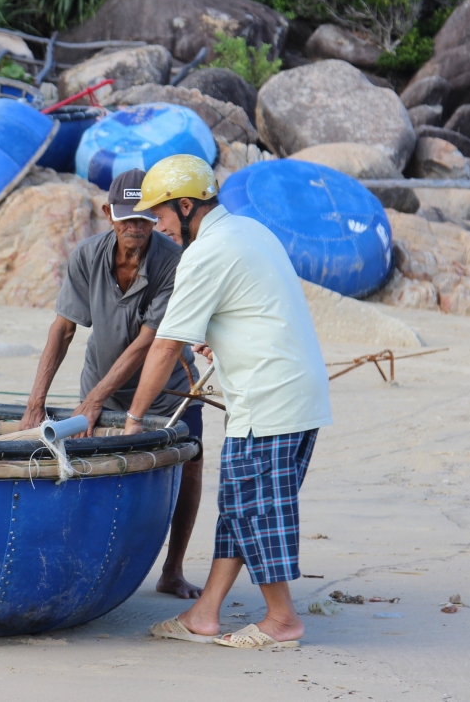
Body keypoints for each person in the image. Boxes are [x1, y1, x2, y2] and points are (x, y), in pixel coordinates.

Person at [124, 154, 332, 649]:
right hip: (296, 392)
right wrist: (225, 336)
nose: (159, 226)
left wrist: (134, 419)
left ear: (187, 204)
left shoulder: (206, 251)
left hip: (269, 400)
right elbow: (257, 308)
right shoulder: (248, 231)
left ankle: (282, 619)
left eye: (162, 213)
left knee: (257, 507)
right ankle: (205, 614)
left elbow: (166, 346)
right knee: (240, 505)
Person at [21, 168, 206, 599]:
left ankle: (173, 570)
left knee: (191, 463)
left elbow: (149, 342)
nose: (134, 228)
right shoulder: (86, 257)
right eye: (126, 219)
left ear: (156, 217)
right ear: (108, 214)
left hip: (168, 388)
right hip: (98, 383)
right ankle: (86, 566)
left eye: (143, 218)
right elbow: (62, 330)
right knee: (90, 468)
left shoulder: (173, 263)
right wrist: (36, 404)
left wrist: (94, 399)